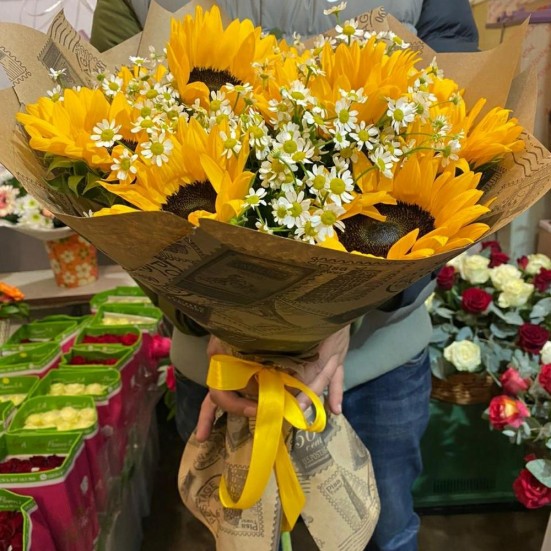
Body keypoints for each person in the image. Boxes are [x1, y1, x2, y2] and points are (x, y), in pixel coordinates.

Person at [90, 2, 480, 550]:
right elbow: (108, 168)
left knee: (382, 535)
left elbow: (461, 136)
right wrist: (218, 319)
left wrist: (345, 309)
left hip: (376, 361)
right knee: (236, 538)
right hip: (218, 367)